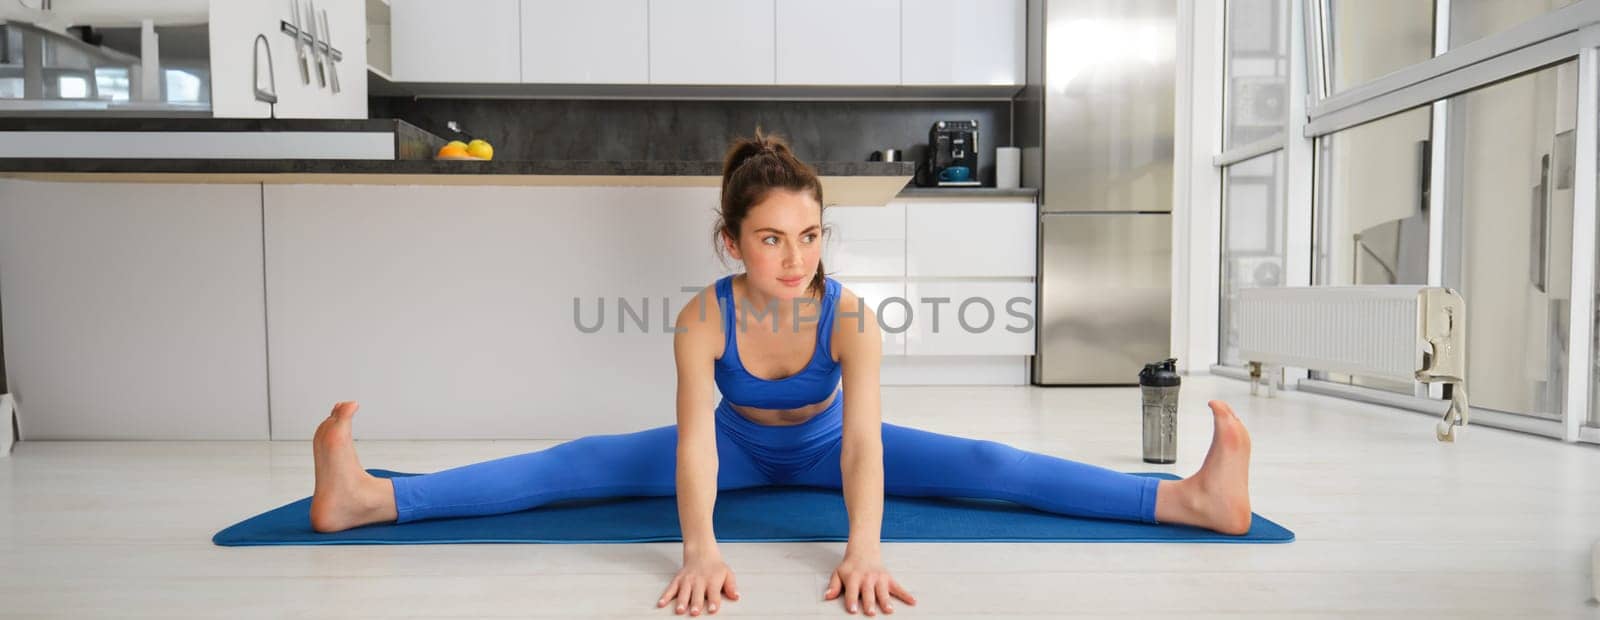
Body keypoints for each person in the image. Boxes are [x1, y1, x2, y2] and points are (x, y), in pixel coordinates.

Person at [307, 130, 1253, 617]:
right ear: (731, 240)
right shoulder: (699, 318)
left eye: (808, 235)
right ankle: (367, 501)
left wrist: (865, 547)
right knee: (569, 464)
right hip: (732, 450)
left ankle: (1186, 503)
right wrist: (700, 551)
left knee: (990, 464)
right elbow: (689, 447)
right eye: (769, 238)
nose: (793, 256)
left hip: (834, 447)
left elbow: (869, 448)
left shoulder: (846, 316)